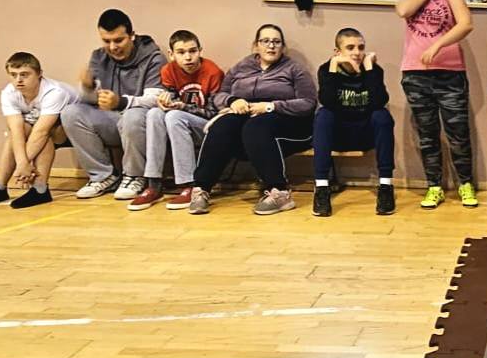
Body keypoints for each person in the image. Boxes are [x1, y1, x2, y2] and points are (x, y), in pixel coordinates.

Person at [188, 23, 316, 216]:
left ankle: (280, 192)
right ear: (256, 45)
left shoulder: (294, 69)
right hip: (246, 115)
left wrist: (270, 106)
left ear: (283, 47)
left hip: (286, 119)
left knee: (256, 126)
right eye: (265, 41)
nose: (271, 46)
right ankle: (201, 188)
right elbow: (219, 96)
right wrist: (233, 100)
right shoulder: (241, 67)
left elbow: (308, 103)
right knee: (223, 125)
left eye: (276, 42)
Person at [395, 0, 478, 209]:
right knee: (428, 135)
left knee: (458, 134)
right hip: (416, 75)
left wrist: (437, 45)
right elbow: (403, 10)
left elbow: (466, 24)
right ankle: (434, 187)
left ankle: (465, 185)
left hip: (450, 74)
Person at [61, 8, 165, 200]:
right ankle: (102, 176)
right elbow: (89, 100)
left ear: (132, 36)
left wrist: (121, 102)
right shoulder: (99, 56)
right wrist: (87, 87)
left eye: (118, 40)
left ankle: (135, 176)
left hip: (140, 122)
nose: (112, 47)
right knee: (70, 112)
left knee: (134, 115)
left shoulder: (154, 58)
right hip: (111, 120)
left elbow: (155, 99)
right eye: (106, 41)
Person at [130, 30, 224, 211]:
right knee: (154, 113)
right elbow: (171, 102)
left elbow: (213, 113)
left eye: (192, 51)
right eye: (181, 52)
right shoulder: (168, 71)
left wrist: (182, 107)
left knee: (174, 116)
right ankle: (154, 184)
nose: (188, 57)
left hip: (205, 127)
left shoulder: (212, 72)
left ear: (200, 51)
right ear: (172, 54)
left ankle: (188, 184)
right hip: (178, 124)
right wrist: (165, 102)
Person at [0, 52, 80, 209]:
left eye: (24, 74)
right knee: (20, 130)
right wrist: (22, 164)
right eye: (13, 75)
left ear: (39, 74)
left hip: (75, 133)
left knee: (44, 133)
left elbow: (42, 132)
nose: (18, 80)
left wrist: (23, 166)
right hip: (44, 130)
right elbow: (16, 130)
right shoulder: (9, 93)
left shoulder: (54, 92)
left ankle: (40, 189)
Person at [312, 26, 396, 217]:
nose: (357, 52)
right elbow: (328, 102)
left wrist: (369, 69)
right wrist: (333, 68)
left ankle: (385, 187)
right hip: (339, 135)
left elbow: (379, 101)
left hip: (365, 134)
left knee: (382, 115)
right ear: (337, 52)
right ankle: (322, 189)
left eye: (361, 47)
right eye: (350, 48)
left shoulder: (373, 70)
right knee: (323, 115)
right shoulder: (326, 70)